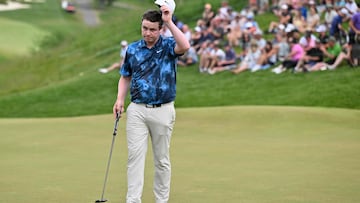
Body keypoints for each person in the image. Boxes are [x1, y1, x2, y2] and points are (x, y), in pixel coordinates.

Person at [112, 4, 190, 203]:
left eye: (152, 29)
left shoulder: (167, 46)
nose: (148, 32)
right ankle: (133, 200)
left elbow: (185, 46)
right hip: (137, 109)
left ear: (160, 29)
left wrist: (169, 21)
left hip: (163, 110)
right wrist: (120, 99)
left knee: (162, 160)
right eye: (145, 28)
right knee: (134, 158)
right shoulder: (133, 49)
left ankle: (161, 201)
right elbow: (125, 76)